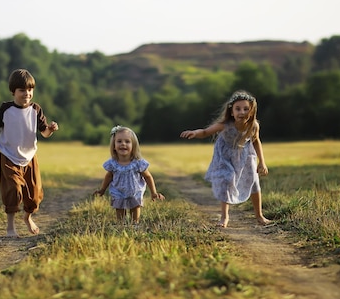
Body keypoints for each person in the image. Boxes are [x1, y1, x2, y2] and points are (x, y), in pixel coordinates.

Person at [0, 69, 59, 237]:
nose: (27, 93)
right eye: (22, 90)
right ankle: (10, 227)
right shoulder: (6, 109)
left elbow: (44, 132)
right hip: (9, 156)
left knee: (35, 194)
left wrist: (51, 129)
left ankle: (27, 217)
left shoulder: (36, 110)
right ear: (13, 91)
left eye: (30, 90)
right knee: (13, 190)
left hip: (30, 157)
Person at [180, 90, 271, 227]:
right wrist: (195, 133)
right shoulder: (225, 125)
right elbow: (205, 132)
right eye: (238, 109)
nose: (242, 112)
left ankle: (259, 215)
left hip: (246, 156)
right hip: (225, 156)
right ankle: (224, 217)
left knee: (254, 182)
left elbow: (256, 141)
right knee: (227, 180)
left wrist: (262, 162)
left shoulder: (253, 126)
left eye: (246, 109)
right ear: (232, 112)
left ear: (251, 111)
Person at [93, 125, 165, 224]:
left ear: (133, 145)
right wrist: (102, 190)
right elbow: (109, 176)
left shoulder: (137, 163)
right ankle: (120, 225)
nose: (123, 144)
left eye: (127, 141)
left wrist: (153, 192)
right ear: (114, 145)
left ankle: (134, 225)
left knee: (135, 208)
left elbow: (147, 176)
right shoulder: (113, 163)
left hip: (134, 191)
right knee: (119, 208)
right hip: (118, 191)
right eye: (119, 141)